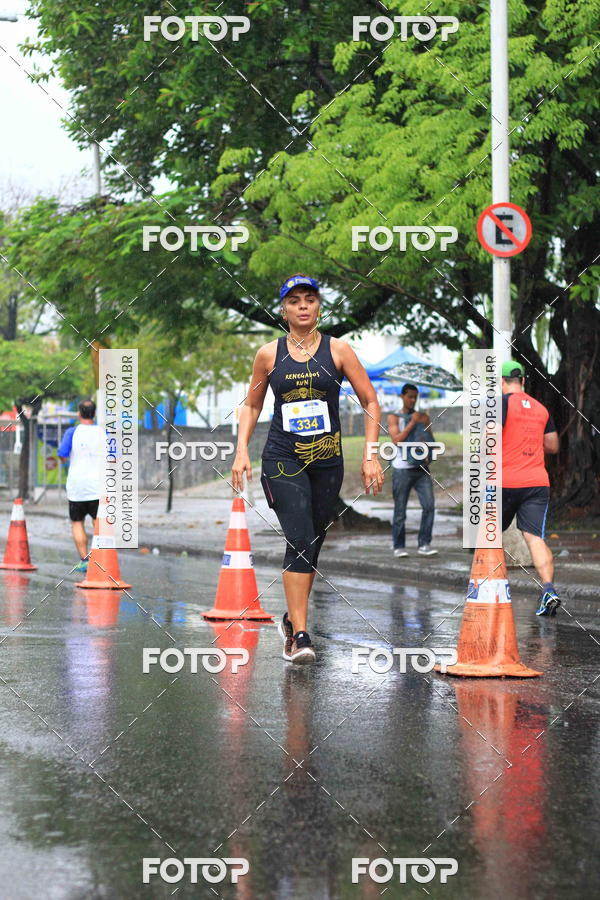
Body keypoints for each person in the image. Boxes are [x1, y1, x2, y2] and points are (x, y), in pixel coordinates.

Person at [231, 274, 384, 664]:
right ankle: (300, 635)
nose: (303, 306)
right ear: (283, 309)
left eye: (310, 299)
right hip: (283, 457)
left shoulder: (339, 351)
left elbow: (370, 400)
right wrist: (240, 451)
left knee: (312, 542)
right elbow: (251, 405)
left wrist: (370, 454)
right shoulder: (269, 354)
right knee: (299, 537)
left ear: (319, 307)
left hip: (327, 461)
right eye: (295, 300)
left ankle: (290, 618)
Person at [501, 360, 560, 616]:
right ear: (523, 381)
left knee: (487, 535)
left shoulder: (499, 405)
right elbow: (553, 446)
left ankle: (491, 591)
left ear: (501, 382)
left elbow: (486, 440)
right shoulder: (541, 408)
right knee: (534, 538)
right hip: (536, 482)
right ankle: (548, 589)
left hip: (504, 481)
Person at [387, 384, 437, 557]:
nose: (413, 400)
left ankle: (424, 543)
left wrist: (428, 452)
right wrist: (412, 423)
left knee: (429, 506)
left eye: (415, 397)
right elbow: (396, 441)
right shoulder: (394, 417)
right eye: (409, 396)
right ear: (402, 396)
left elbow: (430, 439)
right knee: (400, 510)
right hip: (402, 469)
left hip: (421, 468)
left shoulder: (424, 417)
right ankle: (398, 546)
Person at [58, 400, 104, 573]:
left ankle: (85, 560)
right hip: (98, 486)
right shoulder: (103, 432)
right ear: (94, 413)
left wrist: (67, 460)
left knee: (77, 522)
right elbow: (114, 457)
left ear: (79, 413)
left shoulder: (72, 432)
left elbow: (62, 454)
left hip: (76, 487)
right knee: (98, 522)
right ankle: (101, 559)